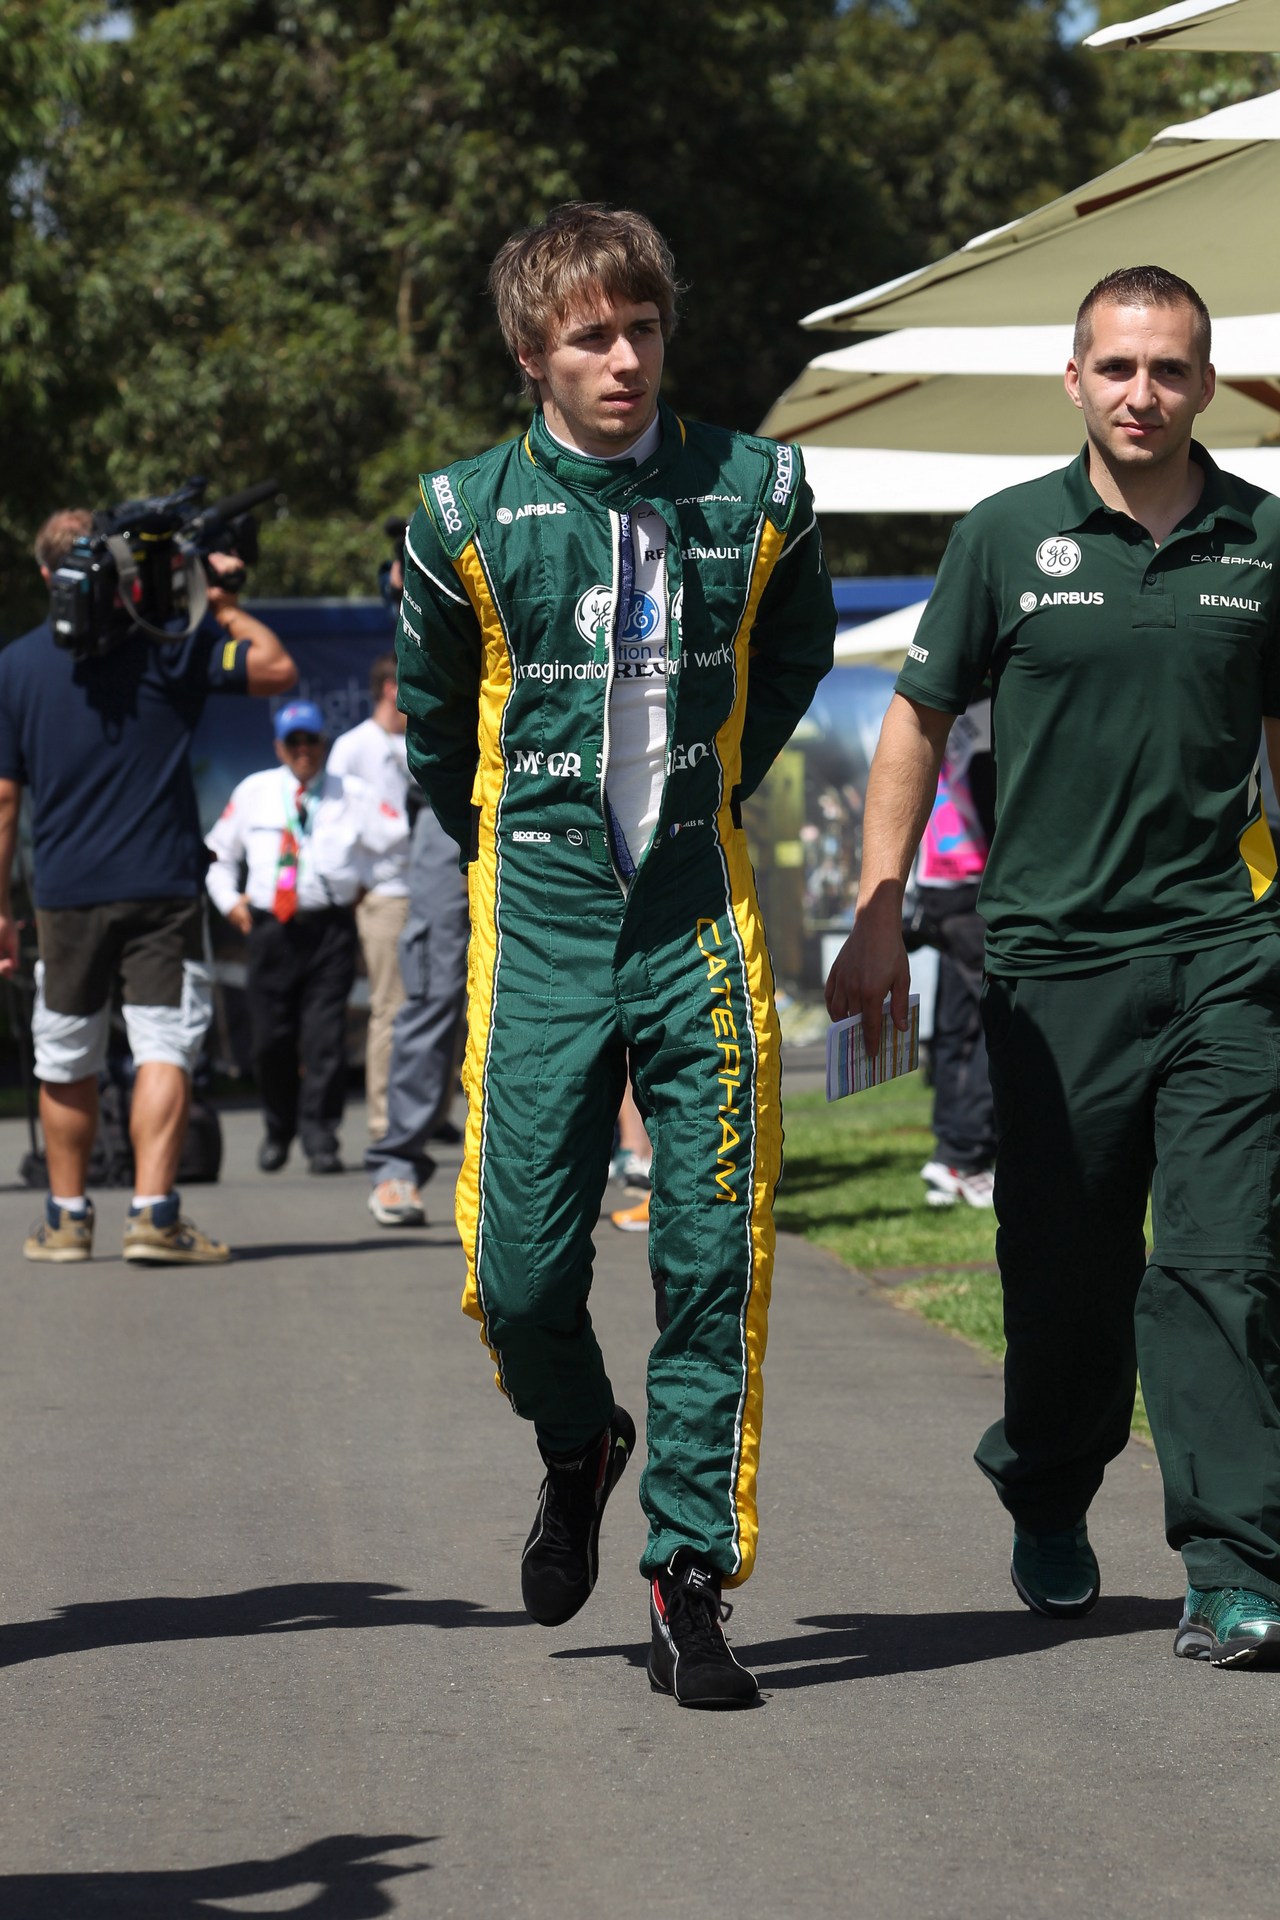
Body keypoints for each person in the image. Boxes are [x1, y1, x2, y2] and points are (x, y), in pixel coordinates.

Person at [396, 202, 836, 1708]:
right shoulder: (460, 515)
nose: (625, 358)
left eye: (643, 327)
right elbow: (436, 717)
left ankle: (687, 1578)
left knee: (713, 1256)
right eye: (591, 335)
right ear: (533, 352)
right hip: (543, 913)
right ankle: (578, 1439)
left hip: (697, 909)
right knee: (517, 1276)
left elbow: (796, 654)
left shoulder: (763, 485)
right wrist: (512, 831)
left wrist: (718, 777)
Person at [827, 264, 1280, 1670]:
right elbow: (918, 718)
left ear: (1209, 385)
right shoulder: (1006, 536)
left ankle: (1236, 1563)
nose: (1144, 391)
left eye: (1171, 368)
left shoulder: (1265, 537)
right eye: (1119, 367)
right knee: (1067, 1277)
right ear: (1075, 381)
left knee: (1224, 1264)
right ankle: (1044, 1475)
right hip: (1048, 965)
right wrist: (879, 905)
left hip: (1227, 952)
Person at [0, 507, 296, 1264]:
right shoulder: (173, 644)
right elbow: (276, 668)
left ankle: (66, 1222)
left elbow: (4, 800)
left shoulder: (15, 666)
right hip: (162, 885)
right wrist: (218, 597)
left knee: (64, 1055)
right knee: (164, 1046)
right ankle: (154, 1216)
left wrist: (1, 909)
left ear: (45, 575)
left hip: (64, 893)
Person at [205, 701, 408, 1176]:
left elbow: (398, 840)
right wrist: (228, 901)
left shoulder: (350, 793)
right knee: (271, 1039)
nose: (303, 751)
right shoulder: (255, 791)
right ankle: (279, 1128)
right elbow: (218, 853)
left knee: (324, 1039)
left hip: (328, 930)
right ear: (279, 747)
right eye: (293, 743)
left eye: (310, 741)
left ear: (323, 744)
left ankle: (321, 1135)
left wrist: (367, 883)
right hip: (269, 929)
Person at [907, 694, 997, 1209]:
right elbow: (994, 806)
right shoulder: (988, 716)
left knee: (957, 1025)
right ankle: (966, 1156)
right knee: (990, 1024)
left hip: (939, 886)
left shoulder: (932, 709)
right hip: (971, 883)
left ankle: (951, 1154)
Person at [363, 796, 469, 1227]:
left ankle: (539, 1175)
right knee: (433, 995)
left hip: (559, 793)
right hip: (455, 804)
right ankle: (397, 1165)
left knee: (554, 985)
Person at [326, 654, 412, 1140]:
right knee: (391, 1005)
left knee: (438, 1006)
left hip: (435, 891)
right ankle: (383, 1119)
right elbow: (332, 824)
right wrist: (354, 884)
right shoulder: (352, 747)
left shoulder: (418, 743)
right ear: (389, 689)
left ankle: (427, 1112)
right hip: (385, 895)